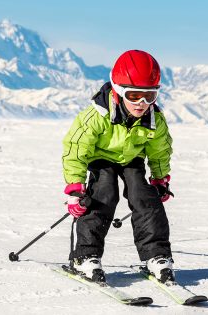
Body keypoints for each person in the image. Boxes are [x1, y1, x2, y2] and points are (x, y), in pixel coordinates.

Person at [62, 49, 175, 284]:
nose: (142, 103)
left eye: (150, 96)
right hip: (100, 158)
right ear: (118, 91)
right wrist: (75, 188)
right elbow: (75, 148)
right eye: (134, 95)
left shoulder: (154, 119)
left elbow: (159, 149)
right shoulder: (97, 116)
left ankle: (156, 256)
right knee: (105, 191)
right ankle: (85, 256)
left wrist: (160, 179)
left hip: (131, 159)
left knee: (144, 195)